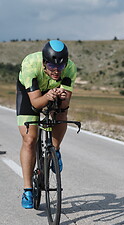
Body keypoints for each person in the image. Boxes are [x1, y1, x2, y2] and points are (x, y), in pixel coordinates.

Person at [16, 40, 77, 209]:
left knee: (62, 113)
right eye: (51, 66)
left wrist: (63, 98)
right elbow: (35, 104)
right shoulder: (30, 65)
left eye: (60, 66)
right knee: (30, 139)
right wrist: (48, 96)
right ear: (44, 63)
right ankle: (28, 190)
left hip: (53, 91)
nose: (56, 71)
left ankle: (54, 151)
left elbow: (65, 106)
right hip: (30, 94)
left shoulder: (70, 68)